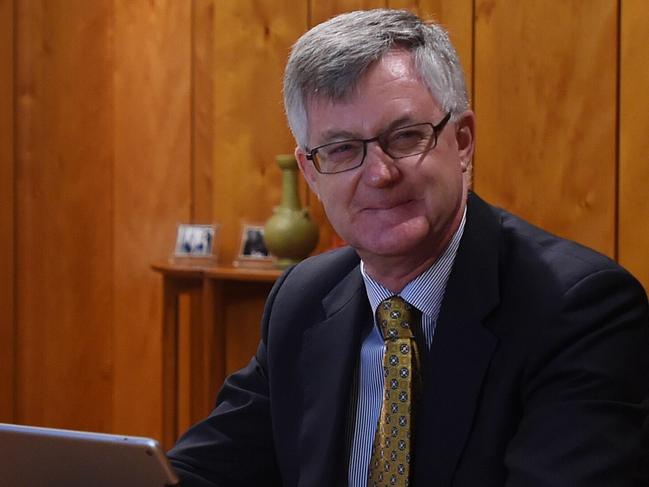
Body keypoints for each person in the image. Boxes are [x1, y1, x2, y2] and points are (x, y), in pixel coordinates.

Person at [168, 9, 649, 486]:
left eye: (405, 137)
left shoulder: (579, 311)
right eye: (340, 149)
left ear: (462, 141)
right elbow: (202, 472)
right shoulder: (303, 300)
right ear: (311, 172)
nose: (379, 174)